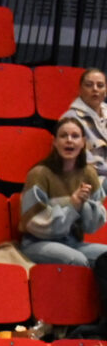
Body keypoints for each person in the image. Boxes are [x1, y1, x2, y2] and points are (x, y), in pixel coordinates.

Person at [18, 118, 107, 279]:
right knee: (77, 260)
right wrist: (72, 205)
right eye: (63, 136)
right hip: (37, 242)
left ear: (83, 142)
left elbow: (93, 226)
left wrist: (85, 206)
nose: (69, 140)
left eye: (75, 136)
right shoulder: (39, 174)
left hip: (73, 242)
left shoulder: (88, 173)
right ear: (55, 142)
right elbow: (33, 223)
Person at [62, 67, 107, 176]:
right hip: (90, 177)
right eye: (89, 85)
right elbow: (81, 161)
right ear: (80, 90)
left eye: (100, 85)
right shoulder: (70, 119)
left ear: (105, 91)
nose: (95, 89)